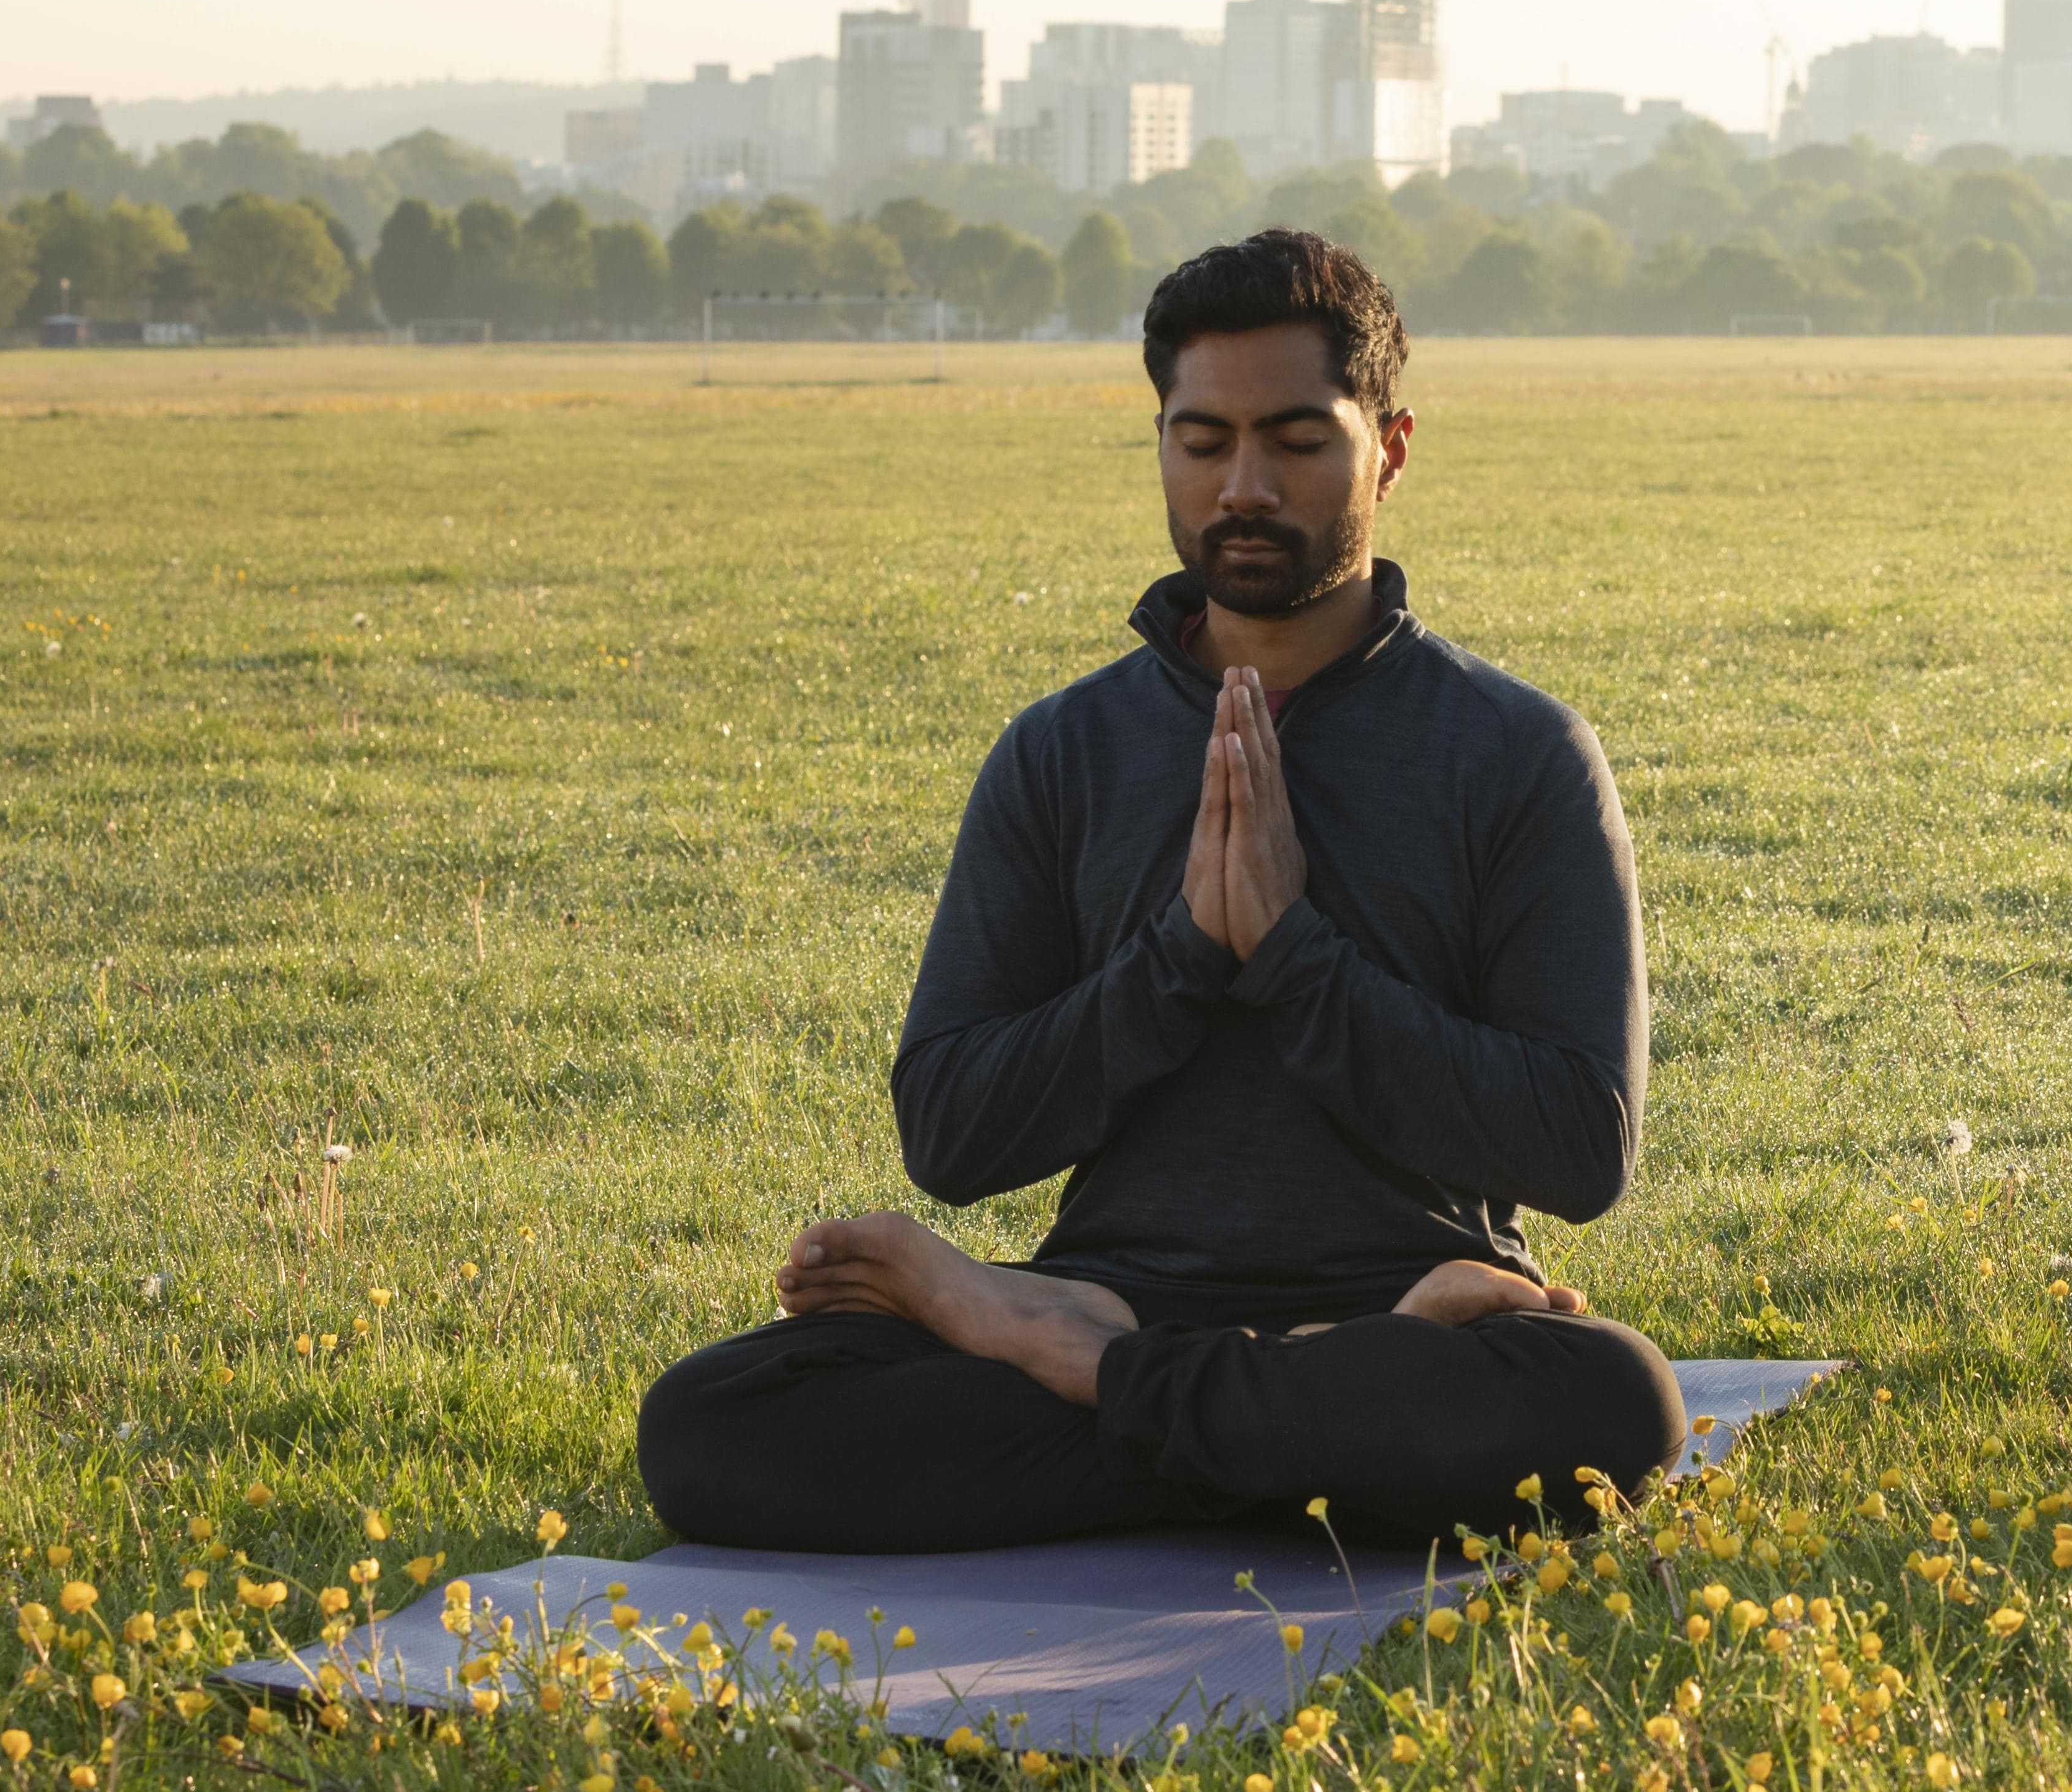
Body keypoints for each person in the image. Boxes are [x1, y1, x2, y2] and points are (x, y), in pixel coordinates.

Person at [638, 230, 1685, 1553]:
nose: (1244, 486)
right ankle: (1266, 1428)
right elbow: (953, 1133)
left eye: (1298, 441)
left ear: (1392, 448)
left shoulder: (1517, 752)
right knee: (716, 1418)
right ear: (1162, 443)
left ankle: (1114, 1395)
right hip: (1139, 1301)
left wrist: (1299, 956)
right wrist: (1184, 954)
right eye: (1203, 441)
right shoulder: (1064, 751)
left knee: (1612, 1399)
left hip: (1410, 1306)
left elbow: (1579, 1149)